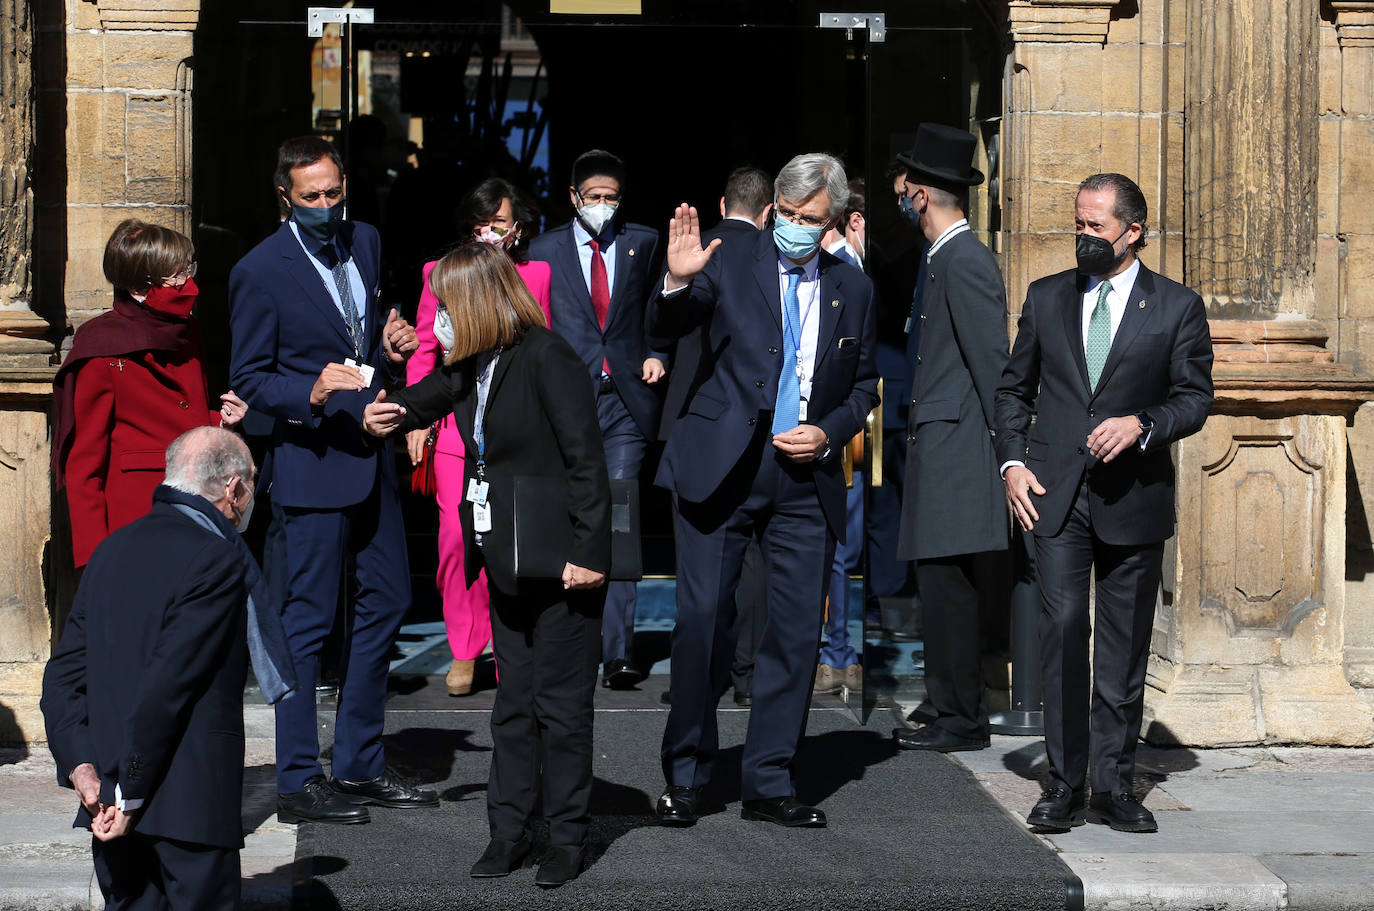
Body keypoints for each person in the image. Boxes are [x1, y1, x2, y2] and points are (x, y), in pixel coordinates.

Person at [363, 243, 611, 888]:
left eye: (446, 305)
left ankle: (565, 838)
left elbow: (588, 463)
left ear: (476, 302)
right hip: (506, 555)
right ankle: (507, 833)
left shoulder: (548, 358)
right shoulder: (473, 361)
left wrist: (589, 555)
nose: (436, 319)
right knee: (512, 706)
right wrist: (383, 403)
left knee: (560, 708)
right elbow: (424, 398)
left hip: (560, 563)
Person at [649, 153, 878, 829]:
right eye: (790, 216)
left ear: (832, 220)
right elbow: (668, 325)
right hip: (724, 464)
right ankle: (687, 774)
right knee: (701, 622)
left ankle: (770, 778)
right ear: (773, 207)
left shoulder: (852, 287)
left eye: (814, 221)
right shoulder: (727, 257)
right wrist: (673, 279)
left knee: (795, 630)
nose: (798, 229)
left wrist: (829, 433)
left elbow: (863, 383)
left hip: (804, 475)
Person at [997, 173, 1213, 834]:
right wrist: (1011, 463)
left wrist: (1141, 424)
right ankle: (1063, 783)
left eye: (1095, 226)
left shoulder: (1175, 306)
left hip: (1133, 496)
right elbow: (1014, 390)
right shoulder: (1046, 296)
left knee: (1124, 647)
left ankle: (1115, 783)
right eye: (1078, 224)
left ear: (1132, 229)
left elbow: (1194, 397)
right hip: (1054, 495)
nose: (1083, 236)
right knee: (1063, 631)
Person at [229, 135, 435, 825]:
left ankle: (359, 761)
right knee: (307, 622)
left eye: (333, 193)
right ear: (284, 196)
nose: (325, 206)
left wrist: (390, 342)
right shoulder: (260, 271)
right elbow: (251, 378)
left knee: (388, 601)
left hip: (371, 453)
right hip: (312, 464)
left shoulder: (366, 241)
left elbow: (364, 332)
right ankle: (296, 779)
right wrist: (311, 392)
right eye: (310, 197)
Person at [41, 426, 294, 911]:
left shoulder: (111, 550)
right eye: (253, 485)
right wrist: (130, 793)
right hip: (185, 807)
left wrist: (83, 769)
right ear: (233, 488)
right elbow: (168, 687)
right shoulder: (219, 558)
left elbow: (62, 679)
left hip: (109, 802)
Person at [404, 177, 553, 697]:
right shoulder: (439, 274)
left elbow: (545, 353)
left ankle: (505, 644)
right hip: (453, 427)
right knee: (454, 541)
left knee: (509, 538)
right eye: (478, 225)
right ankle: (464, 647)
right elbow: (425, 347)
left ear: (518, 228)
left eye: (498, 224)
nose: (487, 232)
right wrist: (416, 418)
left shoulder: (537, 275)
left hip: (514, 428)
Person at [892, 124, 1010, 753]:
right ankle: (947, 703)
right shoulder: (941, 258)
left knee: (949, 588)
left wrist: (1009, 452)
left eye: (906, 184)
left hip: (961, 450)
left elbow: (993, 366)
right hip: (943, 445)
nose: (900, 195)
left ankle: (962, 717)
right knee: (939, 586)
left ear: (921, 194)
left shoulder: (963, 261)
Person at [529, 149, 665, 691]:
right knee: (572, 514)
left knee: (620, 513)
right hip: (568, 401)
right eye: (594, 198)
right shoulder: (544, 250)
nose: (604, 206)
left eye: (612, 198)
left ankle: (619, 650)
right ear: (573, 198)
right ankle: (570, 637)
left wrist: (659, 353)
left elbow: (660, 305)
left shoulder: (643, 243)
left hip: (625, 401)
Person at [52, 219, 249, 568]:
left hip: (197, 505)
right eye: (175, 277)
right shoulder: (101, 347)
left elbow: (185, 414)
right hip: (135, 518)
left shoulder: (187, 332)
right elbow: (84, 465)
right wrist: (96, 556)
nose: (188, 284)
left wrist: (219, 421)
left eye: (189, 270)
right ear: (140, 287)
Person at [656, 165, 773, 707]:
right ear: (770, 209)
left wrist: (677, 283)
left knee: (699, 577)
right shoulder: (772, 257)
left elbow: (675, 317)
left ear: (722, 201)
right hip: (757, 432)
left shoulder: (705, 252)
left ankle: (704, 679)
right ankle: (747, 674)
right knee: (751, 566)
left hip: (700, 431)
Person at [815, 178, 868, 697]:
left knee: (834, 547)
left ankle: (834, 650)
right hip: (835, 433)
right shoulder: (844, 270)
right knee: (835, 546)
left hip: (836, 431)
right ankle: (833, 651)